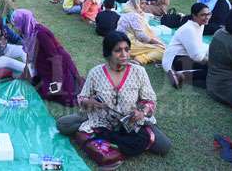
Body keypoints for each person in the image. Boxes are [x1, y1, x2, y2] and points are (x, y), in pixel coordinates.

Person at [56, 31, 171, 166]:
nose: (124, 55)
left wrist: (142, 112)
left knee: (164, 146)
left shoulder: (139, 72)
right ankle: (104, 137)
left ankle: (101, 140)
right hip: (101, 118)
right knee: (62, 124)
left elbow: (150, 100)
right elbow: (82, 97)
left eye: (127, 50)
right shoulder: (96, 73)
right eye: (118, 50)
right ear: (108, 53)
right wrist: (89, 102)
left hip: (130, 121)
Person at [11, 9, 84, 107]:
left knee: (61, 95)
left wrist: (57, 82)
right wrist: (25, 74)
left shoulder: (41, 34)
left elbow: (55, 57)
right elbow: (29, 57)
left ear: (23, 22)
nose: (15, 27)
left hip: (58, 68)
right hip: (44, 67)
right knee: (36, 86)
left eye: (16, 24)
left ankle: (71, 84)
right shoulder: (27, 33)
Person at [163, 3, 210, 89]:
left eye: (208, 14)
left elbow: (198, 46)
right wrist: (210, 61)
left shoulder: (200, 25)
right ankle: (182, 75)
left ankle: (182, 74)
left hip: (184, 56)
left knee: (213, 66)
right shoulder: (189, 29)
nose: (207, 17)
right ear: (194, 16)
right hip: (174, 60)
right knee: (213, 69)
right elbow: (197, 56)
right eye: (203, 15)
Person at [116, 0, 165, 65]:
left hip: (120, 42)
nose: (144, 5)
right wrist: (155, 42)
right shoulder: (134, 15)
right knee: (162, 50)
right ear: (136, 4)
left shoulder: (127, 11)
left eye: (145, 3)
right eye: (142, 3)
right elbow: (141, 36)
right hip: (128, 45)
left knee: (158, 46)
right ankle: (140, 59)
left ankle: (141, 56)